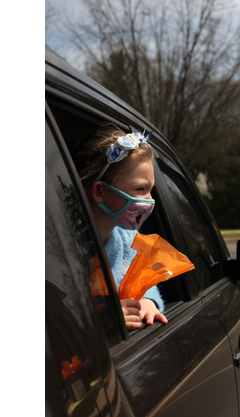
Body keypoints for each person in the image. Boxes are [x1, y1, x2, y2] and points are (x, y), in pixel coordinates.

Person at [73, 123, 167, 330]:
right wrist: (98, 321)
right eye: (141, 189)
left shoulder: (128, 238)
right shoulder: (62, 245)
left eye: (151, 190)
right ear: (100, 192)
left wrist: (147, 302)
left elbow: (142, 280)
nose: (150, 200)